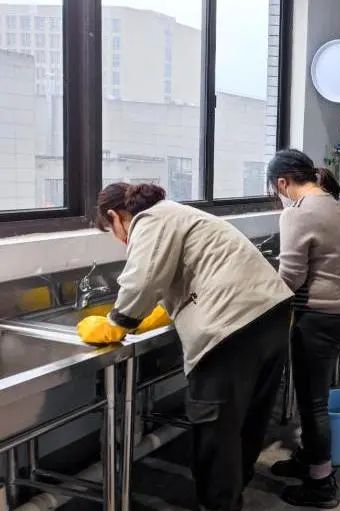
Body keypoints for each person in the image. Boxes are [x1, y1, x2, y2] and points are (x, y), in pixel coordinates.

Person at [77, 183, 294, 511]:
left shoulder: (149, 219)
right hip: (271, 316)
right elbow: (184, 276)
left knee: (216, 434)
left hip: (230, 329)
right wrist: (156, 312)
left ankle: (219, 505)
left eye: (113, 231)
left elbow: (142, 278)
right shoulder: (178, 214)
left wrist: (117, 323)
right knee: (248, 421)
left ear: (115, 216)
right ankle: (233, 495)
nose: (120, 240)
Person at [267, 149, 340, 509]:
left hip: (317, 318)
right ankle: (308, 458)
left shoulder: (298, 213)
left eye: (275, 189)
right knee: (316, 394)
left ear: (282, 182)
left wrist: (258, 297)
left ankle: (321, 482)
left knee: (313, 403)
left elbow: (290, 277)